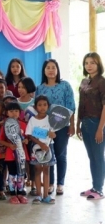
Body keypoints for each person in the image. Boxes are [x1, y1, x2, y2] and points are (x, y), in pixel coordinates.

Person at [36, 59, 76, 196]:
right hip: (45, 127)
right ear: (44, 70)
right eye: (48, 67)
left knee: (61, 154)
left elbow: (71, 107)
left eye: (53, 67)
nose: (51, 70)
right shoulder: (40, 88)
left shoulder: (65, 86)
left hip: (63, 126)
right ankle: (50, 183)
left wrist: (72, 125)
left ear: (57, 70)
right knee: (49, 155)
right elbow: (37, 108)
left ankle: (60, 184)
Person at [77, 52, 105, 200]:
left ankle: (99, 189)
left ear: (98, 64)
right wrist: (77, 124)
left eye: (92, 63)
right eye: (86, 63)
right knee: (92, 157)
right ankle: (94, 186)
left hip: (97, 123)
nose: (89, 65)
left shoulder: (102, 82)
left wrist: (100, 128)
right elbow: (81, 104)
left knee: (98, 157)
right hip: (85, 122)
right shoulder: (84, 82)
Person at [26, 95, 57, 204]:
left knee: (47, 170)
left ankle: (46, 195)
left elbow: (53, 133)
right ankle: (38, 195)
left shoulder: (51, 119)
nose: (42, 107)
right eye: (39, 105)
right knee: (38, 170)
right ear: (35, 107)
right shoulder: (32, 120)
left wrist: (53, 135)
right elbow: (30, 135)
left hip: (48, 147)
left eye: (45, 105)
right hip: (36, 148)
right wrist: (40, 144)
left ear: (48, 106)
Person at [0, 102, 29, 204]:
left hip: (22, 154)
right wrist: (9, 145)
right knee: (12, 174)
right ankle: (12, 195)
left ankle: (20, 194)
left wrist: (26, 141)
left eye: (16, 111)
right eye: (11, 111)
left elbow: (27, 138)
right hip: (10, 155)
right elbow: (0, 140)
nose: (14, 113)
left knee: (21, 174)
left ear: (20, 112)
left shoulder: (23, 125)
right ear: (7, 113)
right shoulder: (5, 126)